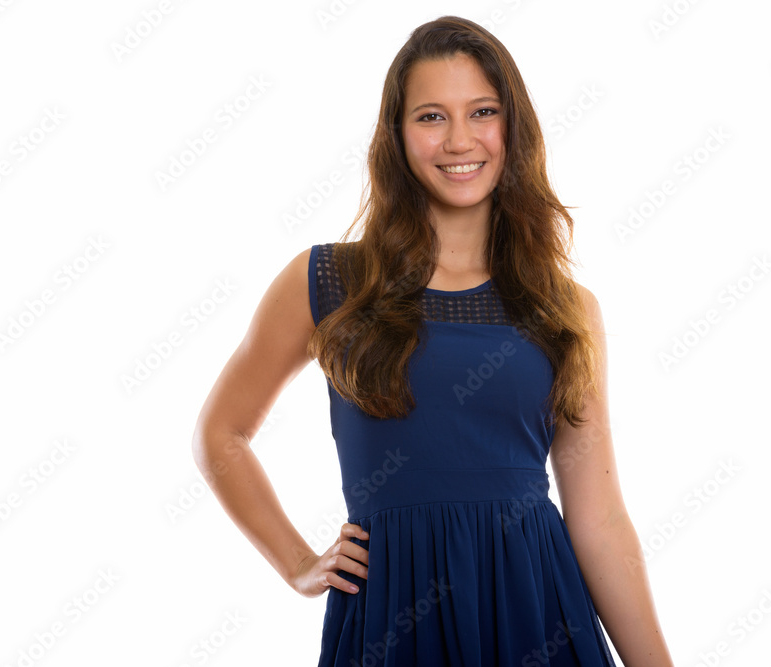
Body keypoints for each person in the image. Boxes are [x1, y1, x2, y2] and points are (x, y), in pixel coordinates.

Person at [192, 15, 674, 666]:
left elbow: (599, 518)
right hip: (392, 613)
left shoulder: (565, 307)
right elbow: (219, 432)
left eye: (482, 111)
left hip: (539, 610)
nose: (458, 140)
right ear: (397, 134)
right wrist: (299, 564)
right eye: (430, 117)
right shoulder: (331, 280)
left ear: (514, 128)